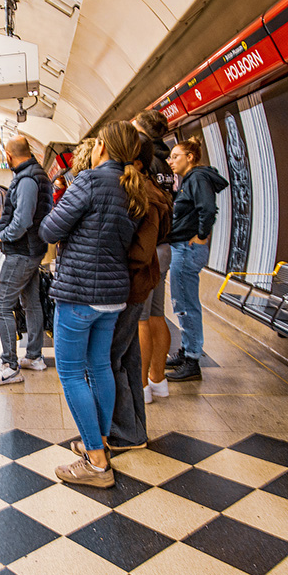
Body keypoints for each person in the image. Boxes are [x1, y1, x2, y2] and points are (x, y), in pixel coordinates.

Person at [39, 121, 141, 488]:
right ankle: (98, 442)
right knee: (100, 368)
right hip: (114, 295)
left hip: (81, 293)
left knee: (70, 374)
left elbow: (50, 229)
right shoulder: (132, 186)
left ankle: (96, 462)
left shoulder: (90, 180)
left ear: (102, 147)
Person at [107, 137, 172, 450]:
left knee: (112, 359)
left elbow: (142, 251)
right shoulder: (146, 190)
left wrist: (109, 257)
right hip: (135, 285)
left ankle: (124, 432)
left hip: (132, 285)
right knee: (128, 359)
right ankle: (133, 430)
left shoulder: (143, 194)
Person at [0, 136, 54, 386]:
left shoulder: (25, 180)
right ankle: (34, 356)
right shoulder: (37, 175)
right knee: (31, 302)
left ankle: (9, 366)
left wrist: (4, 236)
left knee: (1, 306)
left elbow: (23, 220)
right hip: (33, 250)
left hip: (22, 252)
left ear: (9, 154)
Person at [165, 136, 228, 381]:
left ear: (190, 158)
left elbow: (207, 209)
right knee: (182, 302)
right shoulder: (189, 180)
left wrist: (202, 235)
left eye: (176, 156)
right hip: (182, 247)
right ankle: (187, 350)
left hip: (187, 248)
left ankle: (192, 359)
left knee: (186, 304)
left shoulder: (198, 178)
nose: (171, 161)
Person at [131, 110, 174, 402]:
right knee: (158, 314)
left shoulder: (144, 162)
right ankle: (159, 380)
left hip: (149, 245)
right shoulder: (167, 161)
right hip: (165, 244)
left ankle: (142, 388)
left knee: (141, 320)